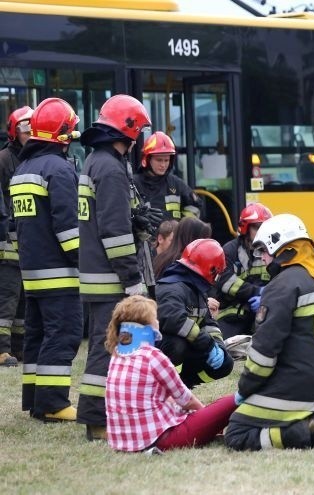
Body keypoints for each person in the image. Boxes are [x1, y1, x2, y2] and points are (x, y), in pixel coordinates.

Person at [225, 214, 314, 451]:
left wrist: (245, 389)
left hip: (297, 387)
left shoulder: (282, 285)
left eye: (265, 251)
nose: (263, 259)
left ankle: (312, 426)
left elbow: (264, 353)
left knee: (236, 432)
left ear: (281, 249)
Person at [76, 94, 158, 440]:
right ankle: (96, 420)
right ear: (130, 130)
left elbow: (108, 220)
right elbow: (112, 232)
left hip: (97, 273)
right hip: (110, 277)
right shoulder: (110, 169)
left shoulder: (97, 162)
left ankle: (101, 415)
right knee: (106, 347)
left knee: (104, 344)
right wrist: (132, 279)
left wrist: (135, 219)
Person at [9, 98, 82, 421]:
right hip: (60, 272)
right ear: (62, 134)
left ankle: (35, 401)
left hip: (32, 271)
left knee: (37, 335)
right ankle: (53, 403)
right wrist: (87, 260)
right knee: (63, 333)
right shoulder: (60, 170)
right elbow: (68, 227)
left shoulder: (23, 169)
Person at [105, 295, 237, 453]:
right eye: (155, 318)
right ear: (146, 324)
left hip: (123, 442)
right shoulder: (153, 356)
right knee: (232, 400)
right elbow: (186, 400)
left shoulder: (117, 355)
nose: (158, 322)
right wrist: (208, 421)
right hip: (161, 439)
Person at [155, 238, 234, 389]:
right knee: (178, 345)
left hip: (184, 347)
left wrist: (218, 346)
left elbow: (209, 323)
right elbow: (174, 320)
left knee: (226, 364)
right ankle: (162, 387)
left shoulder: (196, 288)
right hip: (157, 350)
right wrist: (208, 343)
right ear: (212, 270)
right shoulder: (172, 287)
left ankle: (184, 385)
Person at [0, 105, 32, 366]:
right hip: (7, 241)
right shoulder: (3, 160)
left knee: (24, 298)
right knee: (8, 296)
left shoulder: (34, 159)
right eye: (24, 127)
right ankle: (2, 349)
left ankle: (20, 348)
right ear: (13, 130)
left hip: (30, 239)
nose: (29, 132)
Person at [215, 203, 273, 339]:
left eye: (264, 227)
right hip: (232, 312)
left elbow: (280, 279)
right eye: (257, 227)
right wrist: (256, 291)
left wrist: (267, 296)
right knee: (225, 345)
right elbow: (224, 281)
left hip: (265, 308)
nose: (261, 231)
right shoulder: (230, 250)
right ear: (246, 228)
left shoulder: (271, 250)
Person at [133, 131, 201, 220]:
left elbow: (196, 206)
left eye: (166, 160)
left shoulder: (175, 183)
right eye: (159, 160)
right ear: (147, 159)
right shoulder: (134, 184)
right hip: (146, 234)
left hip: (174, 233)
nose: (163, 165)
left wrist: (183, 225)